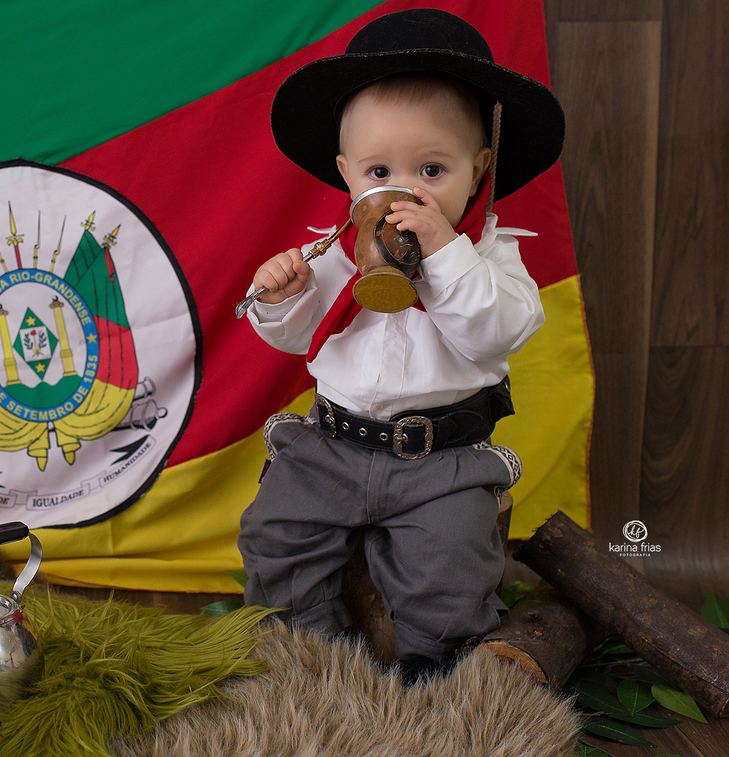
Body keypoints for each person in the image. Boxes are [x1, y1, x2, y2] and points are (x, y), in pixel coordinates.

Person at [237, 8, 565, 683]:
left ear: (479, 169)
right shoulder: (332, 252)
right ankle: (311, 661)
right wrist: (279, 297)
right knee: (275, 537)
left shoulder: (490, 256)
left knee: (450, 569)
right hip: (332, 447)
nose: (405, 192)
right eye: (380, 169)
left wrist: (443, 253)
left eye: (434, 170)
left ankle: (431, 674)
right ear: (346, 173)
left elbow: (493, 331)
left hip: (439, 460)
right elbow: (300, 337)